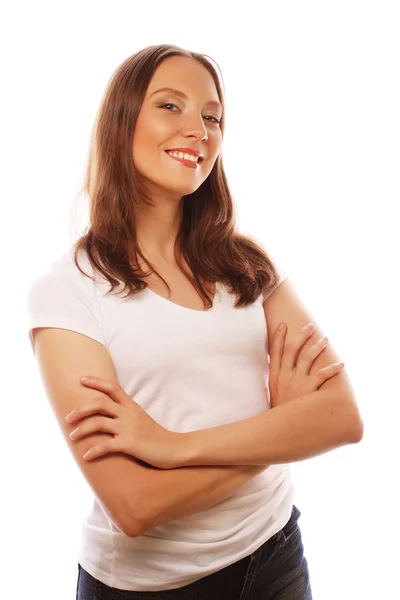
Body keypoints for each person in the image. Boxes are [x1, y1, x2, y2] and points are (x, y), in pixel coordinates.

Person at [27, 44, 363, 599]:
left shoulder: (248, 266)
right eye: (170, 106)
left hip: (275, 552)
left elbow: (343, 417)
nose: (199, 130)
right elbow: (134, 505)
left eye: (212, 116)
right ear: (121, 123)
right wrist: (280, 428)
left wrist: (170, 446)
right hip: (149, 586)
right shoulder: (67, 292)